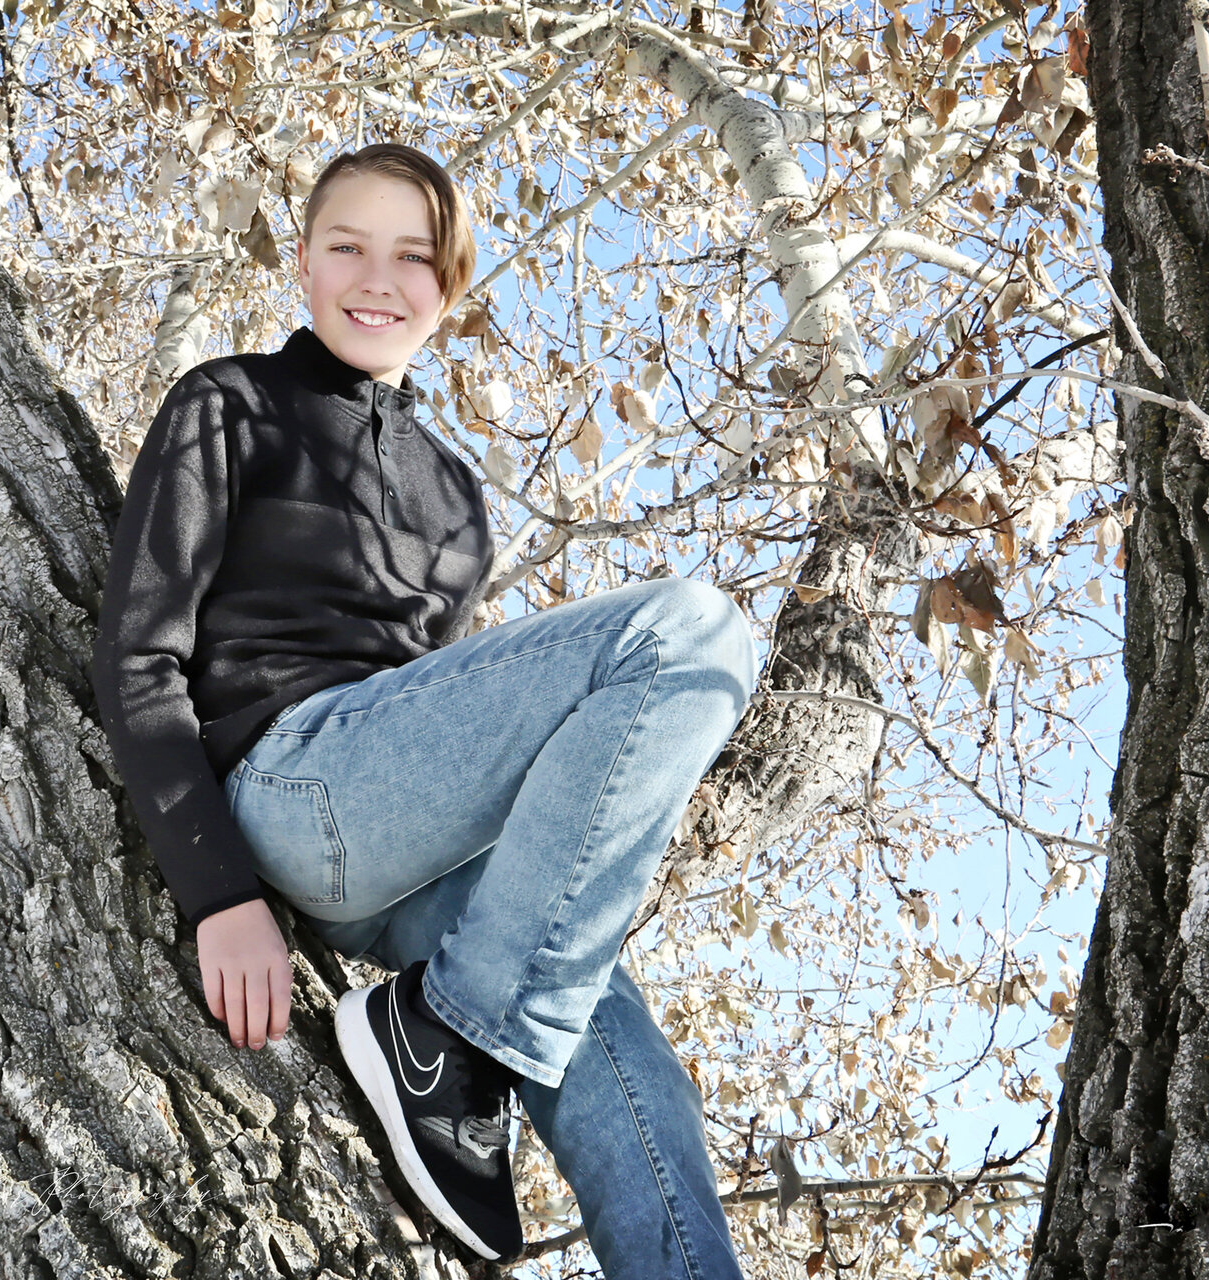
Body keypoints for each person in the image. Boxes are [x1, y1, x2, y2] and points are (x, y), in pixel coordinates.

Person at [91, 141, 757, 1279]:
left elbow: (449, 731)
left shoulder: (457, 501)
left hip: (404, 845)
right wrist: (220, 895)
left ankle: (473, 1047)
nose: (376, 278)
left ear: (447, 291)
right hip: (288, 779)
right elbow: (137, 660)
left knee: (627, 1060)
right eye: (347, 245)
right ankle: (444, 1032)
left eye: (413, 258)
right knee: (694, 631)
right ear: (301, 260)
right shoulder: (230, 404)